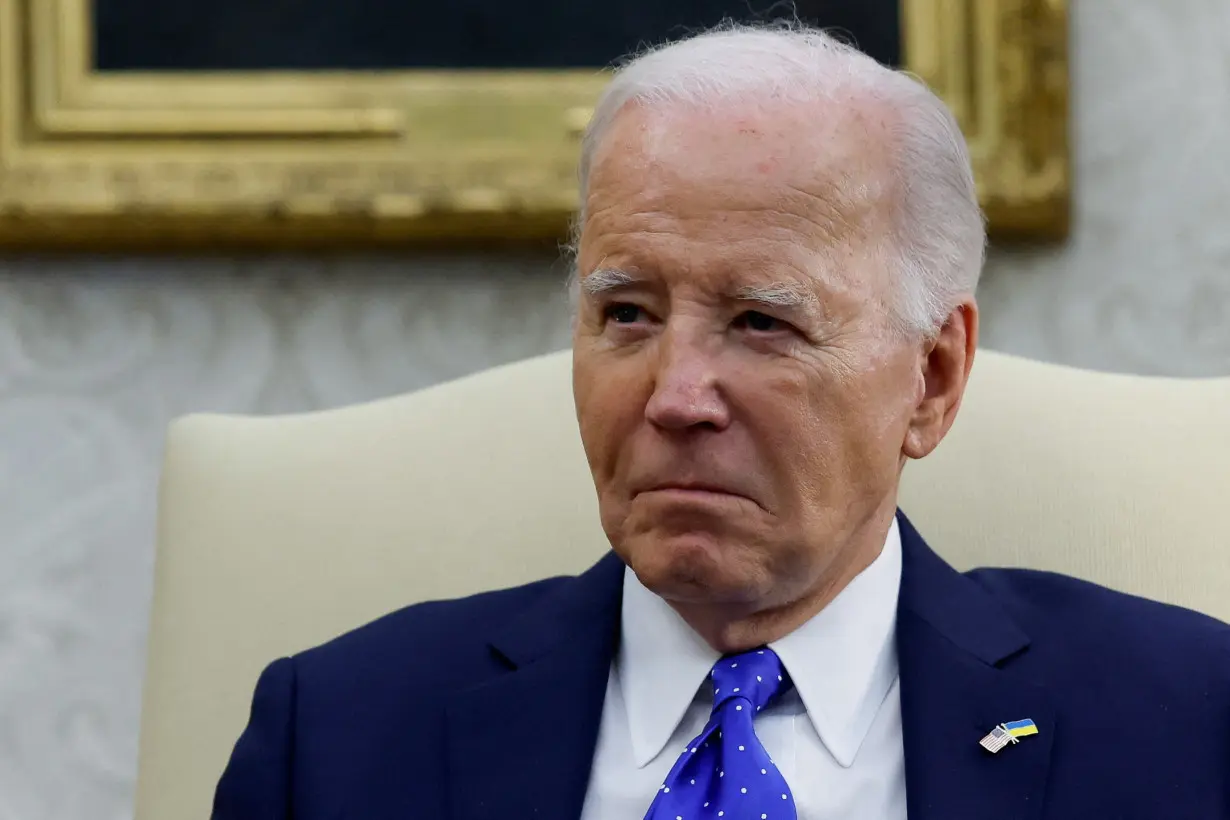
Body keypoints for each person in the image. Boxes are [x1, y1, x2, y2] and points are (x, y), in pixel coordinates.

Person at [213, 23, 1230, 820]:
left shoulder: (1185, 722)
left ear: (931, 376)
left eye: (760, 321)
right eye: (627, 314)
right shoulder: (340, 735)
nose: (675, 396)